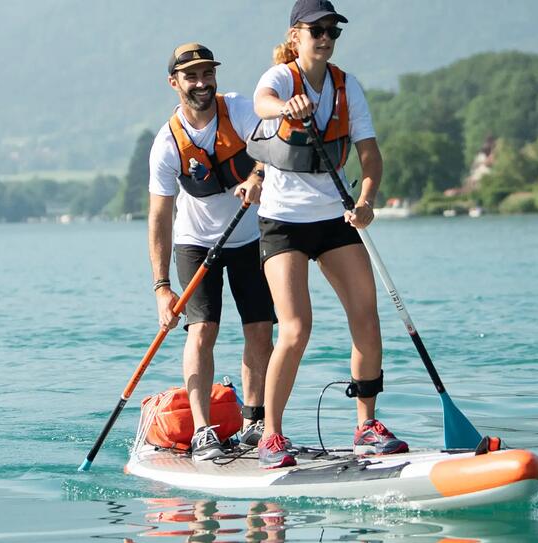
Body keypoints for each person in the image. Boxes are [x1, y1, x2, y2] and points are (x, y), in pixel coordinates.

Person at [246, 0, 406, 469]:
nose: (325, 37)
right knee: (296, 329)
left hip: (335, 218)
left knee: (366, 315)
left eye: (332, 30)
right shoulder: (279, 77)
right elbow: (261, 103)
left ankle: (366, 426)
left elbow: (370, 158)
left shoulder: (346, 86)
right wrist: (284, 107)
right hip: (282, 222)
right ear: (295, 35)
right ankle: (271, 436)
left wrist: (368, 202)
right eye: (316, 29)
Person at [148, 43, 275, 460]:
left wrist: (257, 175)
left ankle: (255, 422)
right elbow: (159, 217)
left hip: (248, 237)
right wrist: (162, 287)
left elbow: (273, 149)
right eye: (191, 76)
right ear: (174, 83)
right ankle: (204, 430)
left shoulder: (237, 110)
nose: (201, 83)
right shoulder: (167, 144)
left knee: (259, 327)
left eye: (207, 74)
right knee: (203, 330)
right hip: (195, 243)